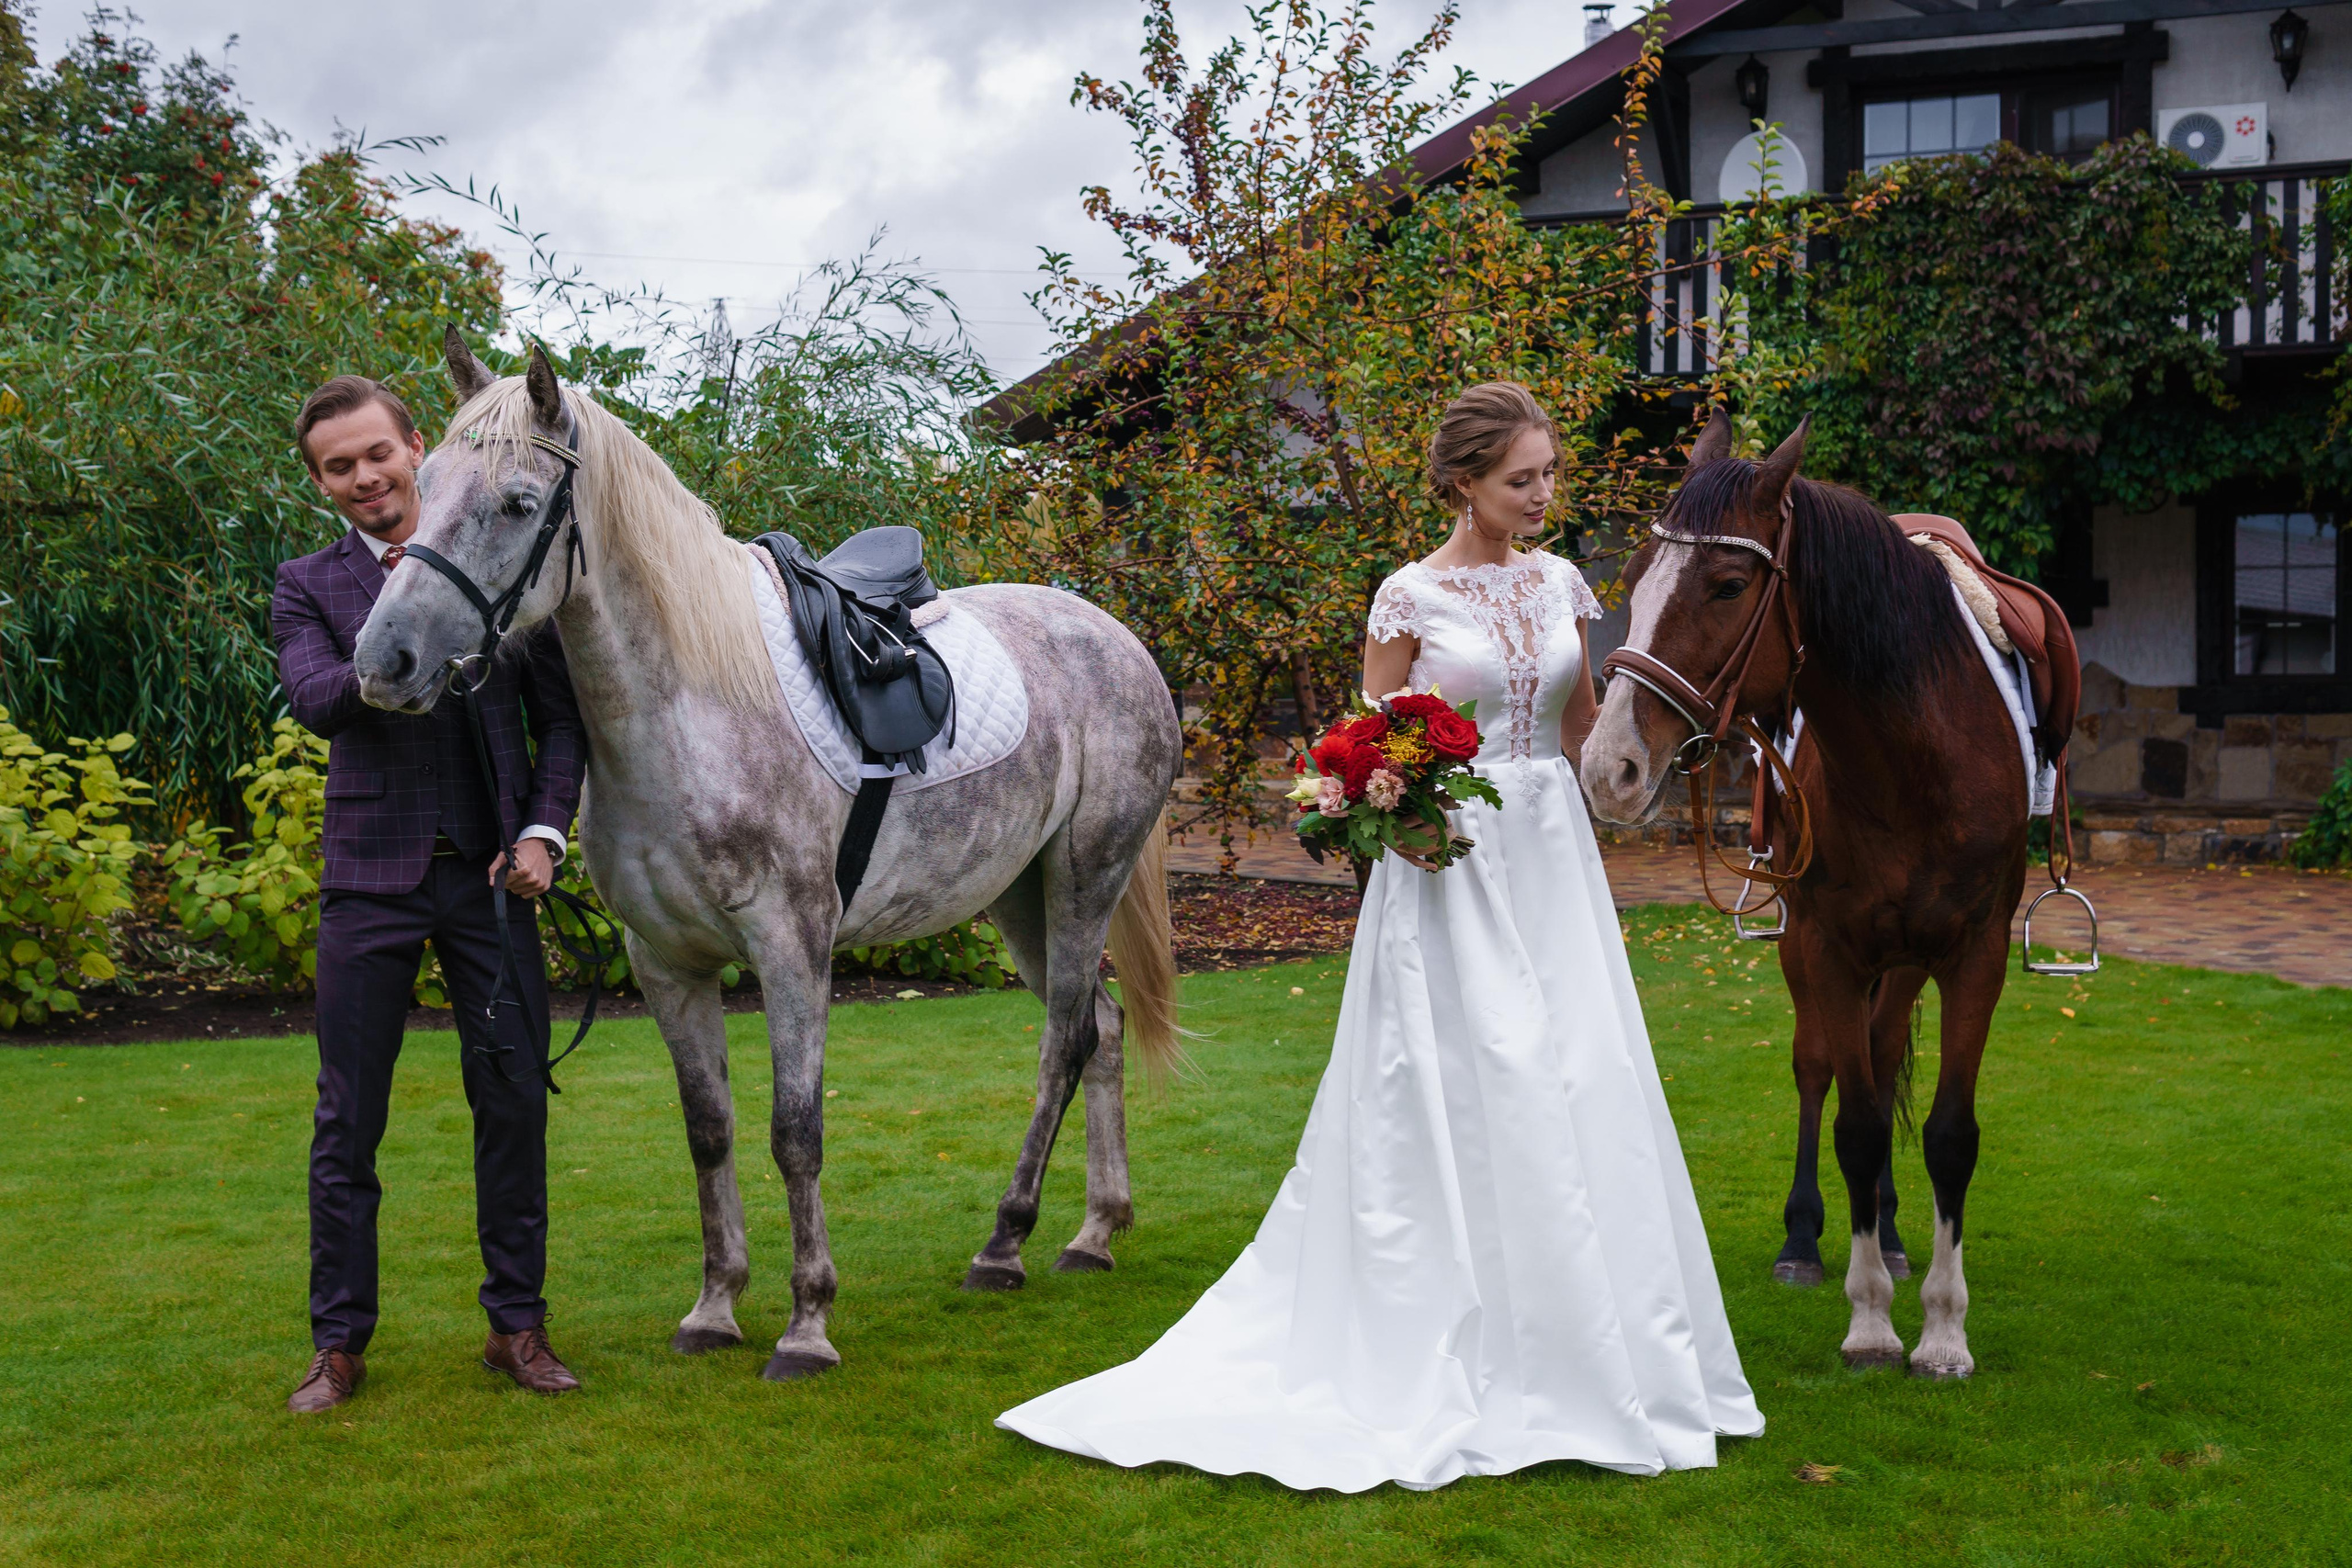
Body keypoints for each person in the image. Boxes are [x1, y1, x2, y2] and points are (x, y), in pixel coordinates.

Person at [997, 382, 1761, 1488]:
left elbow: (1586, 719)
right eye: (1521, 478)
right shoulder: (1406, 596)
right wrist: (1379, 816)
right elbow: (1359, 743)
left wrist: (1646, 761)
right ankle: (1439, 1332)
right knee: (1460, 1080)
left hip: (1549, 856)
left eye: (1548, 473)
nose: (1543, 495)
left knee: (1578, 1074)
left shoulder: (1561, 583)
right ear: (1464, 483)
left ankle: (1589, 1337)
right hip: (1443, 865)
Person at [274, 376, 588, 1413]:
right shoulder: (307, 584)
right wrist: (410, 612)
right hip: (369, 883)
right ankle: (339, 1344)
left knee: (511, 1108)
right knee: (346, 1122)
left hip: (491, 880)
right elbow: (318, 699)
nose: (366, 477)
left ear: (416, 446)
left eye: (378, 453)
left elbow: (562, 727)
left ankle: (517, 1329)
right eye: (339, 466)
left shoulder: (503, 561)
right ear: (322, 481)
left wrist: (543, 834)